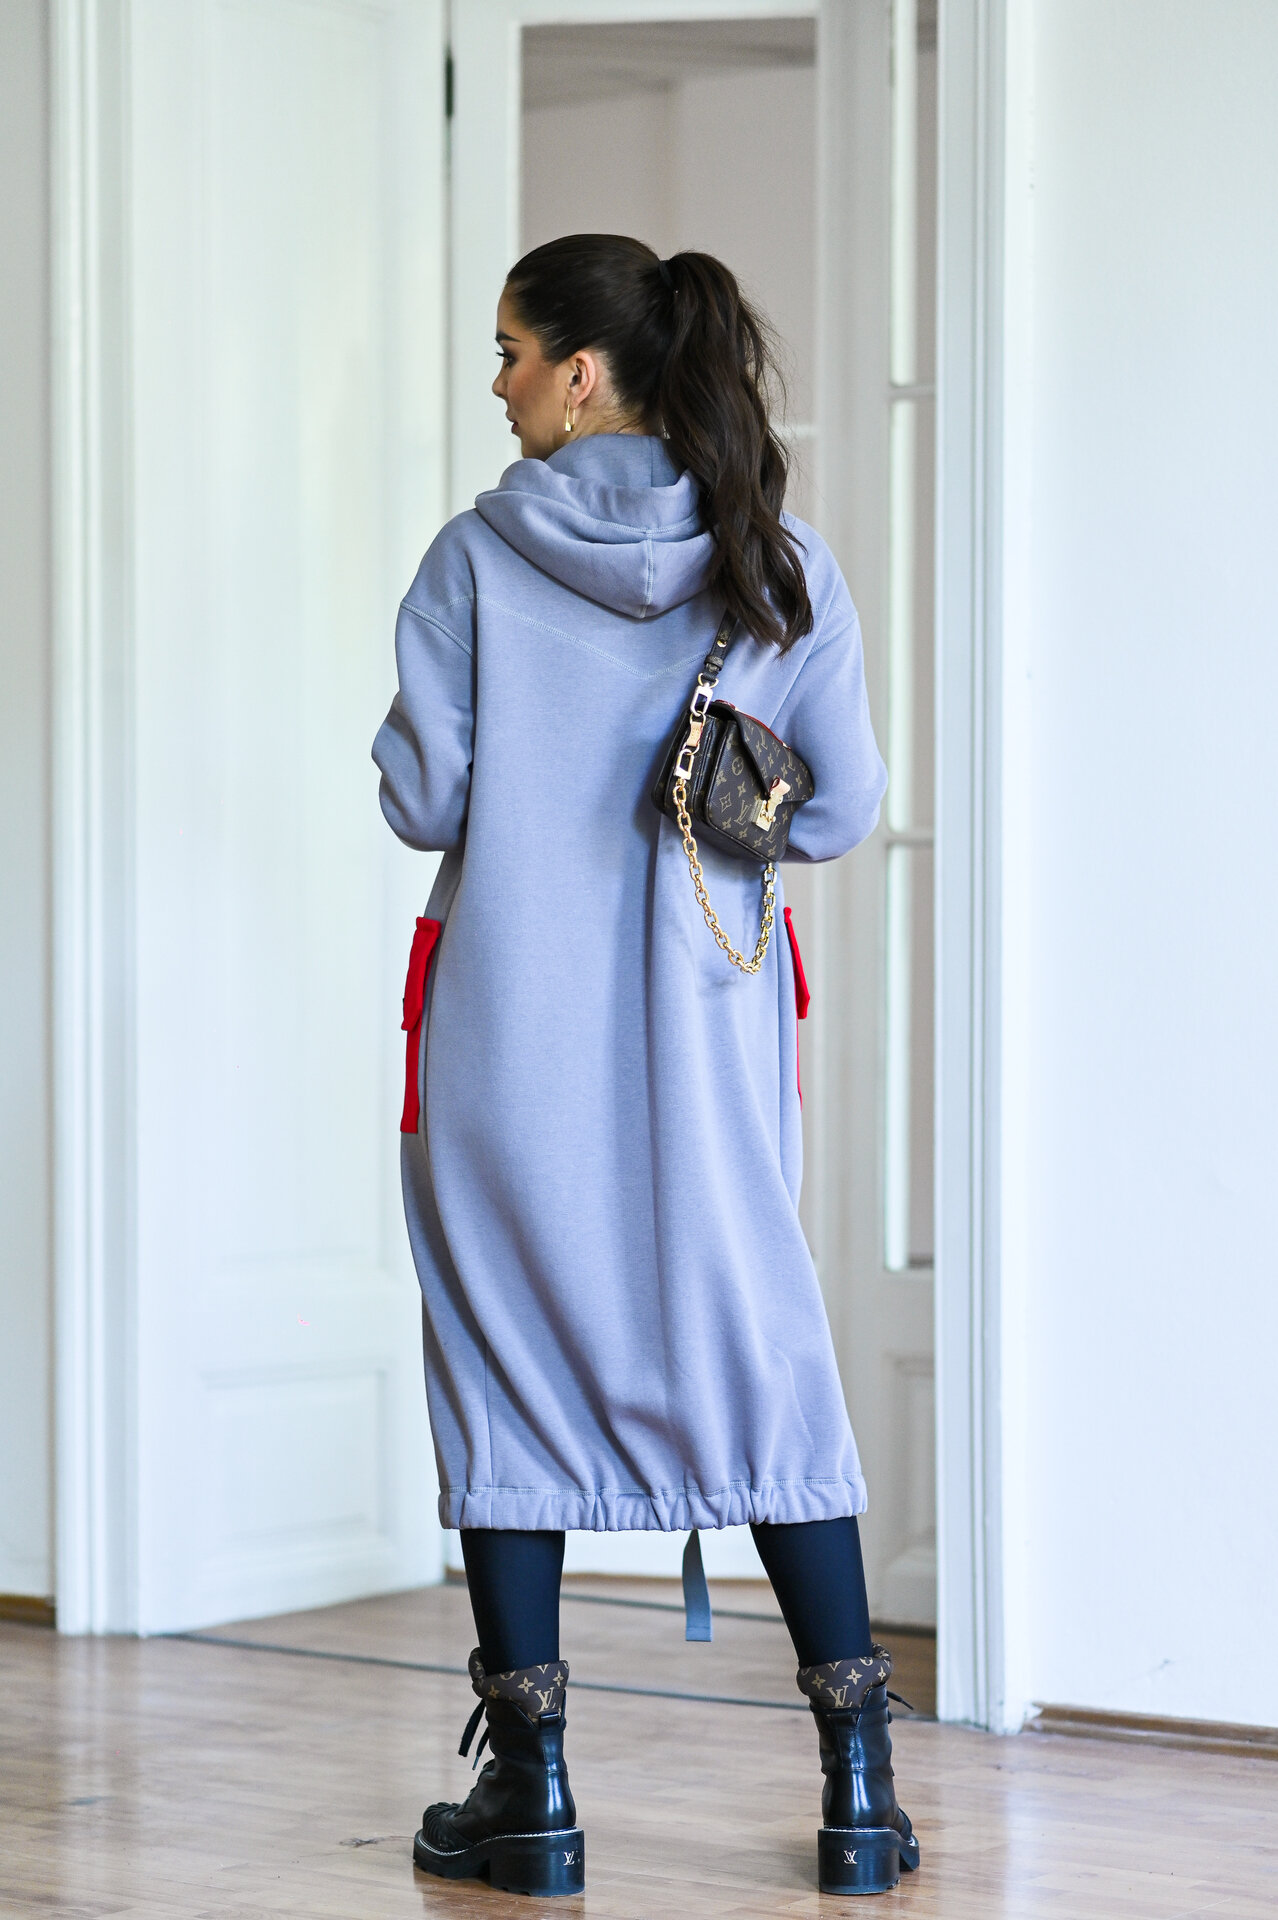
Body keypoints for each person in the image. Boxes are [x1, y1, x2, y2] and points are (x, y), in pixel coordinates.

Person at [371, 234, 919, 1899]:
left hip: (508, 1029)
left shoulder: (475, 558)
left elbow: (421, 798)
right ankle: (858, 1788)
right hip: (706, 1022)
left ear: (581, 370)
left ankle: (530, 1796)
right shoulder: (775, 555)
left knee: (503, 1350)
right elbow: (838, 806)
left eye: (509, 352)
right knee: (758, 1347)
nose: (499, 385)